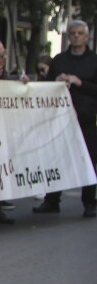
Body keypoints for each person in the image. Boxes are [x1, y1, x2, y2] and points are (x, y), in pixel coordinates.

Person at [34, 19, 97, 218]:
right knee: (57, 158)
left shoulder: (94, 60)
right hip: (60, 118)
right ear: (68, 36)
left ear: (87, 37)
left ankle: (90, 202)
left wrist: (80, 83)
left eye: (80, 33)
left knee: (89, 160)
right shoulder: (59, 59)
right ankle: (52, 200)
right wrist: (55, 80)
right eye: (72, 33)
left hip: (86, 118)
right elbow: (47, 86)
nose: (76, 36)